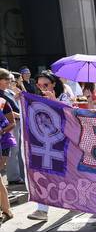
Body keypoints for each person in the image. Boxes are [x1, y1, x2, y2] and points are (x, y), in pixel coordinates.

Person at [27, 71, 72, 222]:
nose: (41, 88)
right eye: (38, 85)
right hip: (45, 143)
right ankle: (42, 210)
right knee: (43, 173)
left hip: (65, 142)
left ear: (53, 84)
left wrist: (55, 101)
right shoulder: (37, 98)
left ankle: (77, 201)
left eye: (45, 84)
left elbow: (71, 114)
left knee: (67, 175)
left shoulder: (63, 96)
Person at [0, 94, 16, 228]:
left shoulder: (2, 102)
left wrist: (1, 131)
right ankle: (6, 210)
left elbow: (12, 123)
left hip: (3, 143)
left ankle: (6, 210)